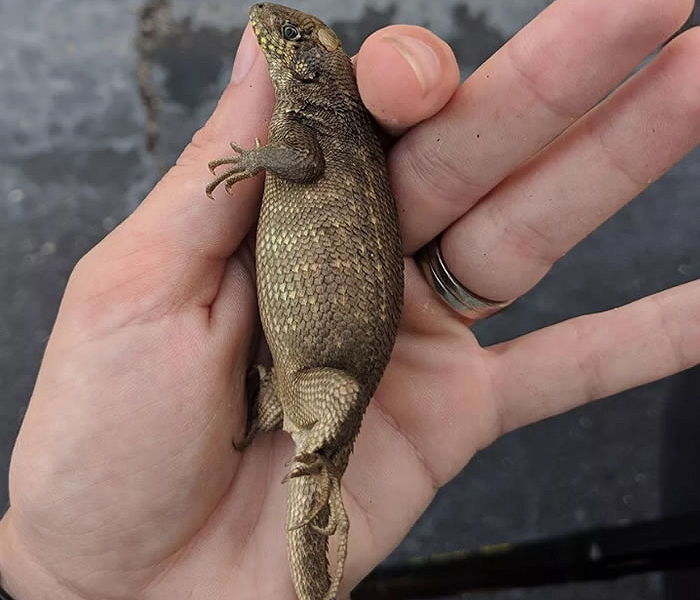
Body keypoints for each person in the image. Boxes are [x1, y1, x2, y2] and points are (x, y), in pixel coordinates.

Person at [0, 0, 698, 598]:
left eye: (296, 39)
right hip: (320, 362)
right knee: (318, 429)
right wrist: (58, 579)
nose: (276, 31)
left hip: (327, 371)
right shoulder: (312, 112)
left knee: (323, 425)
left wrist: (250, 159)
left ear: (308, 69)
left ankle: (310, 451)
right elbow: (302, 162)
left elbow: (300, 164)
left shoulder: (314, 120)